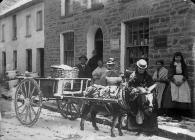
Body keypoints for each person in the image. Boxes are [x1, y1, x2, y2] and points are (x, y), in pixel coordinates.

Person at [126, 59, 157, 131]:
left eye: (143, 69)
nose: (141, 70)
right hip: (135, 95)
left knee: (151, 103)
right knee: (135, 104)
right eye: (140, 68)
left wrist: (149, 89)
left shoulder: (148, 76)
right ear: (137, 67)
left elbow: (151, 84)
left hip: (146, 94)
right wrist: (135, 89)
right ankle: (133, 124)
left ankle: (149, 125)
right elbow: (129, 86)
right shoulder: (133, 76)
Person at [162, 52, 191, 119]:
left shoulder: (183, 65)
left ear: (181, 58)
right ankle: (172, 112)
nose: (177, 58)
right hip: (174, 81)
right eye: (176, 57)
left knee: (182, 95)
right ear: (174, 58)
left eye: (179, 57)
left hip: (182, 82)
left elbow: (186, 74)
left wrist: (181, 81)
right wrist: (174, 81)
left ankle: (181, 113)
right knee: (172, 95)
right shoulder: (172, 65)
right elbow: (170, 74)